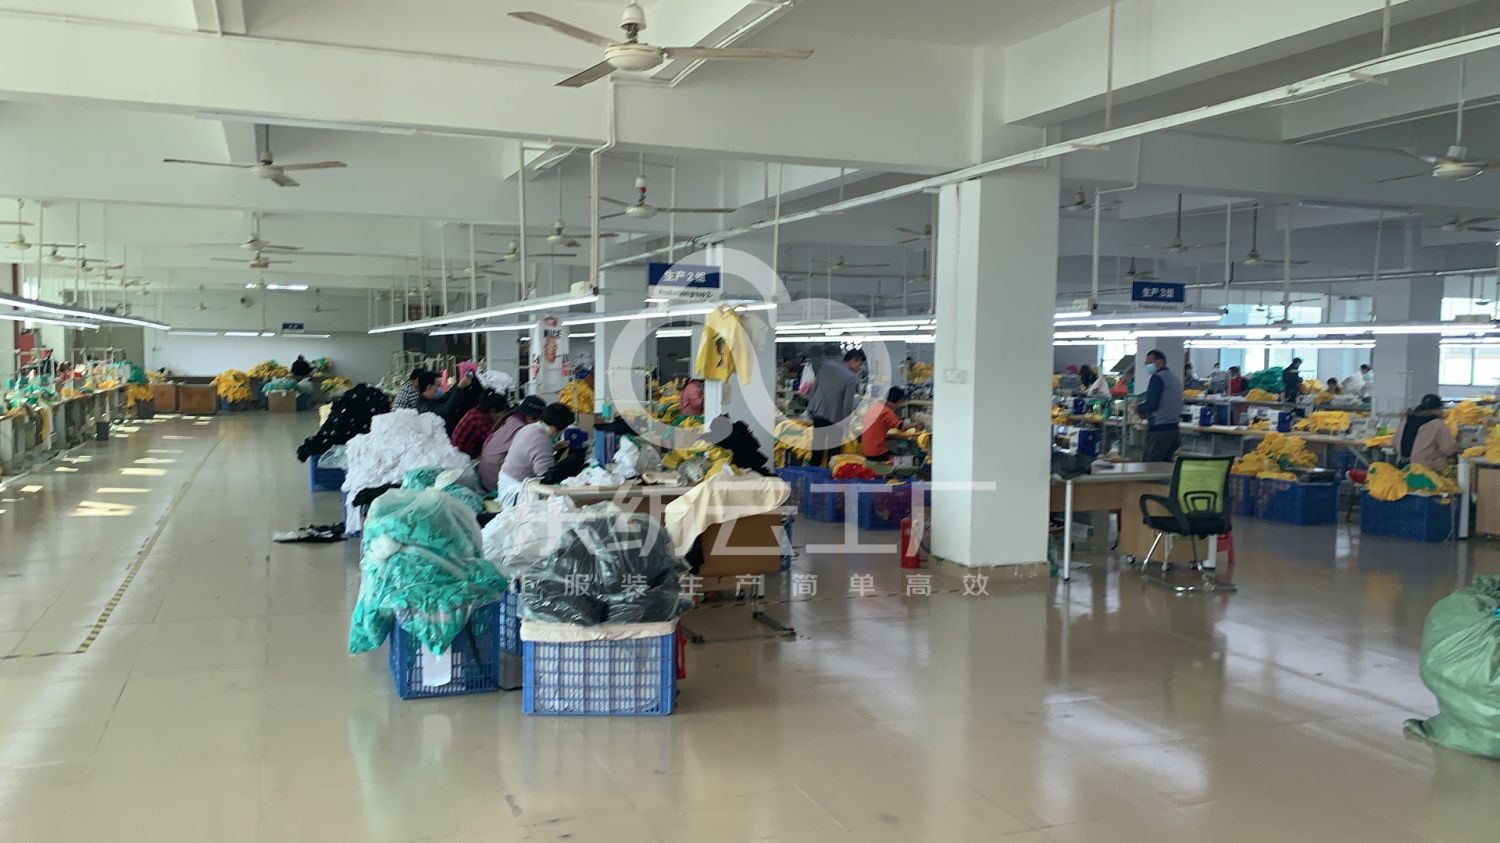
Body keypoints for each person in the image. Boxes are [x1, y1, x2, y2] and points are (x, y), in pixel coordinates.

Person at [496, 402, 577, 506]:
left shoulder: (530, 427)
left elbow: (531, 452)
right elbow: (546, 477)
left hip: (506, 481)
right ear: (557, 428)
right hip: (515, 492)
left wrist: (555, 448)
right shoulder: (542, 441)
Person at [807, 349, 864, 466]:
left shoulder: (826, 367)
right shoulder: (851, 377)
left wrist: (811, 409)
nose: (860, 368)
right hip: (835, 420)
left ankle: (813, 473)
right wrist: (846, 424)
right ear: (853, 361)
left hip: (818, 414)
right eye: (859, 364)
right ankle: (830, 475)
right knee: (833, 455)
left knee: (817, 451)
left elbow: (814, 388)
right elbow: (847, 404)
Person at [478, 395, 545, 491]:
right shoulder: (522, 429)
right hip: (495, 475)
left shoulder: (511, 419)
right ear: (530, 417)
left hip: (485, 470)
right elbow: (531, 458)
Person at [1135, 349, 1183, 463]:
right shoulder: (1174, 378)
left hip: (1160, 430)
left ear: (1160, 362)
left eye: (1149, 363)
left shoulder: (1157, 378)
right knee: (1165, 466)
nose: (1147, 366)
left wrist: (1138, 408)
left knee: (1150, 467)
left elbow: (1152, 404)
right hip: (1174, 429)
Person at [1394, 394, 1458, 472]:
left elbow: (1394, 443)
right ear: (1439, 409)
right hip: (1425, 468)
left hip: (1403, 466)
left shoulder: (1406, 420)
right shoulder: (1437, 424)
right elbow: (1449, 449)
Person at [449, 390, 508, 459]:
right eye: (500, 414)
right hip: (463, 456)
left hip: (459, 448)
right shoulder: (480, 420)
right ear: (492, 411)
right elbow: (495, 443)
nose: (501, 417)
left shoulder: (479, 410)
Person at [861, 387, 906, 461]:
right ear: (894, 400)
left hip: (866, 449)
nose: (899, 405)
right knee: (898, 451)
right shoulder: (886, 411)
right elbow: (901, 426)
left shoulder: (875, 406)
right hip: (877, 452)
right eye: (899, 402)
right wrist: (915, 424)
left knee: (892, 443)